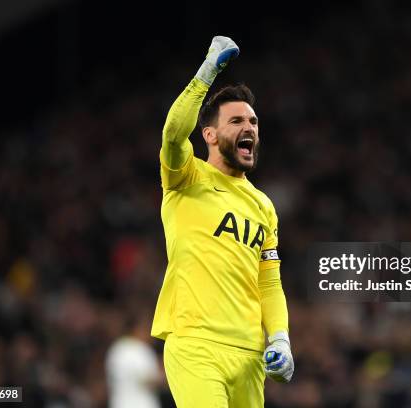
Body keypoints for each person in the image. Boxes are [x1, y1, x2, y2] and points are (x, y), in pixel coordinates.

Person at [151, 36, 294, 407]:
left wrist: (280, 337)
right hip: (196, 345)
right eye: (236, 121)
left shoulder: (264, 206)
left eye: (253, 121)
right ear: (210, 135)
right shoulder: (186, 176)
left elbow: (269, 282)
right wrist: (208, 71)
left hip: (250, 357)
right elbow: (172, 133)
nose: (249, 127)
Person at [106, 314, 164, 408]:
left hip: (118, 403)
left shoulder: (115, 349)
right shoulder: (139, 349)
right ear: (138, 329)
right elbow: (151, 380)